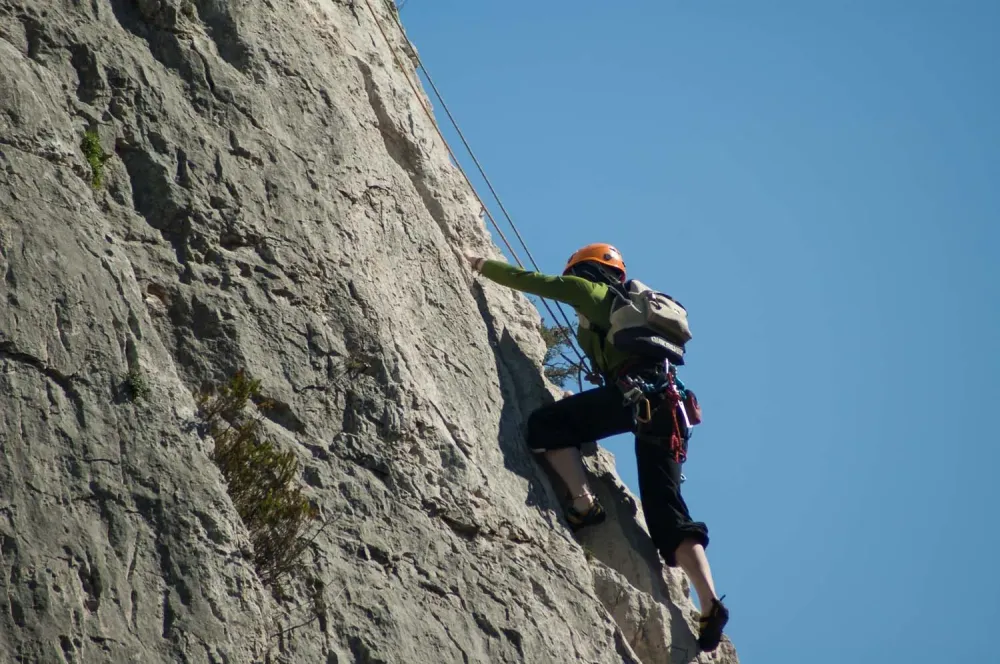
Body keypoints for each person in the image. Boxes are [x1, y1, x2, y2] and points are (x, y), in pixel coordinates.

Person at [466, 243, 730, 651]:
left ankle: (584, 502)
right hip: (668, 409)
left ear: (586, 271)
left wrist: (481, 264)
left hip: (635, 399)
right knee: (668, 513)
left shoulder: (594, 293)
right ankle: (710, 603)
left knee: (546, 426)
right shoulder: (627, 316)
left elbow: (537, 282)